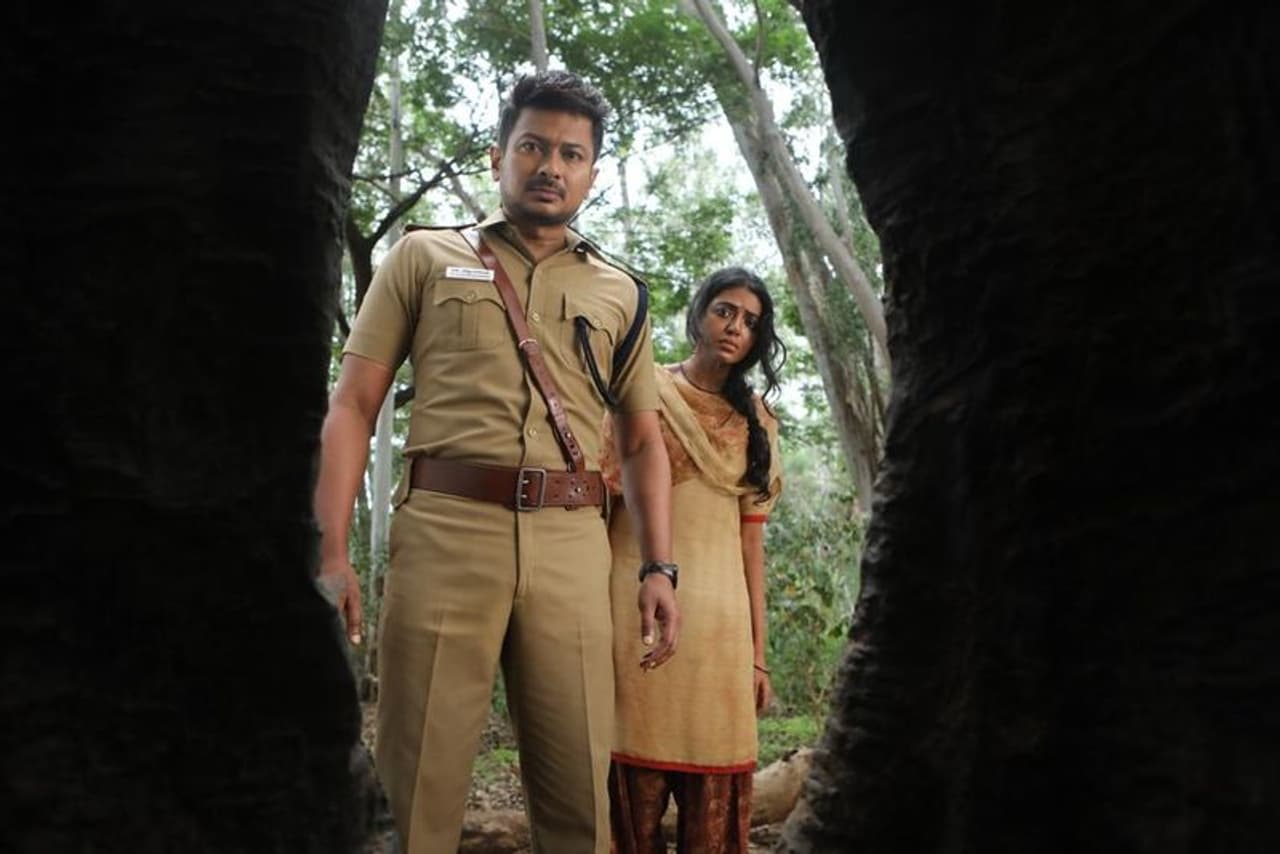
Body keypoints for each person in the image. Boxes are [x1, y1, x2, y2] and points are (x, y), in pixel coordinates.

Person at [312, 70, 682, 854]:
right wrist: (332, 548)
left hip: (572, 544)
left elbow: (642, 442)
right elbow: (353, 405)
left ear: (592, 173)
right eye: (533, 146)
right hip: (445, 533)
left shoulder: (622, 292)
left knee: (580, 792)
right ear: (497, 156)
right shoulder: (423, 256)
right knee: (417, 784)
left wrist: (660, 567)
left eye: (572, 154)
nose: (551, 166)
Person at [601, 266, 786, 854]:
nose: (735, 327)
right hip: (635, 612)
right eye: (725, 311)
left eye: (750, 322)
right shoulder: (643, 392)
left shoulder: (757, 419)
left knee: (715, 798)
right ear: (698, 314)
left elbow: (751, 545)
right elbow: (601, 512)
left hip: (722, 630)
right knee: (627, 798)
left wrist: (758, 656)